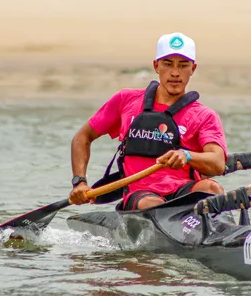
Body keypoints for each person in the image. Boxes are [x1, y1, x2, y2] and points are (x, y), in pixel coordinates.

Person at [69, 32, 227, 210]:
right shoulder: (126, 100)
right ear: (156, 65)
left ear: (193, 69)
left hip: (183, 192)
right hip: (141, 196)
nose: (175, 73)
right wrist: (79, 182)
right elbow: (82, 137)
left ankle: (220, 230)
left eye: (183, 65)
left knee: (212, 188)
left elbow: (218, 163)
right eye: (167, 64)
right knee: (153, 204)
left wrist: (187, 155)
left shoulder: (204, 115)